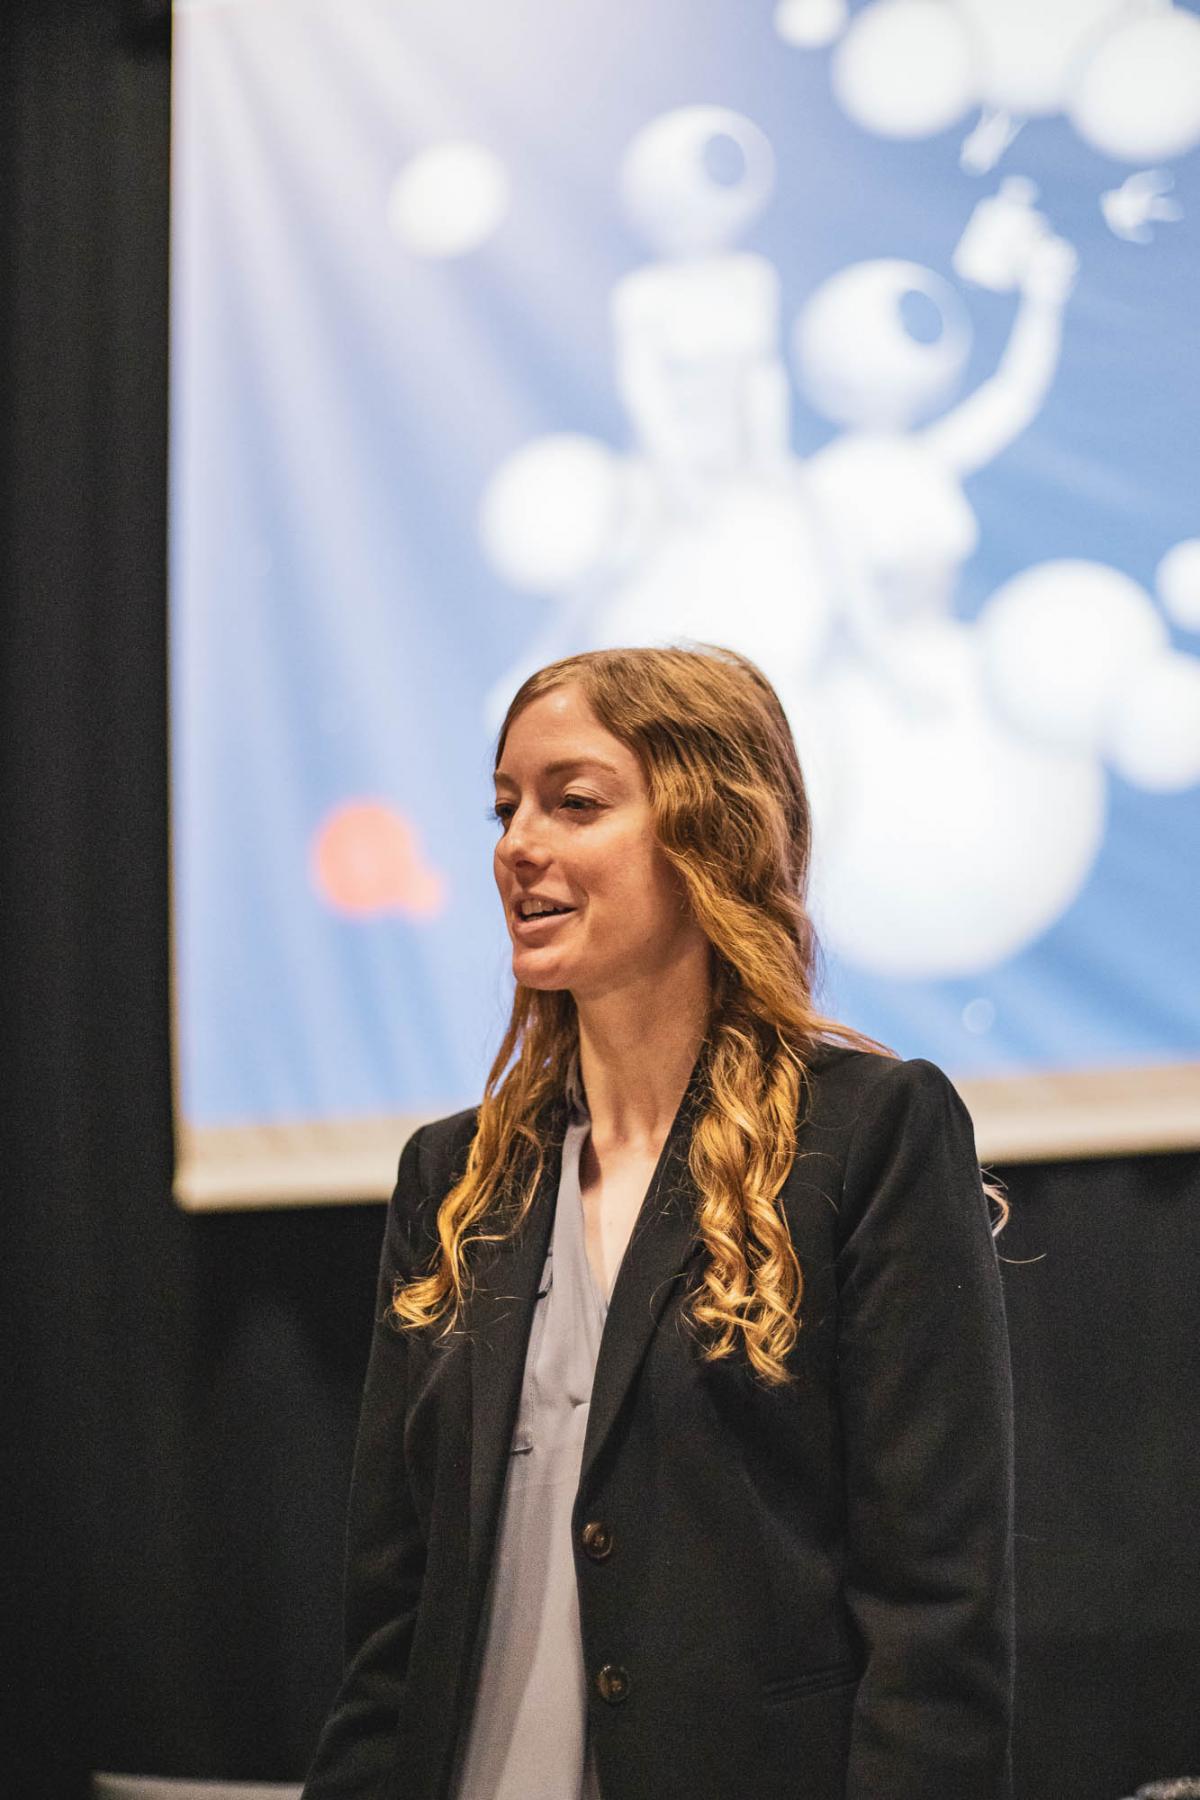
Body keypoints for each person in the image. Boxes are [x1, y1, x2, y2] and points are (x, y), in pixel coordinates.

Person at [301, 643, 1015, 1800]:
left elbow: (935, 1617)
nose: (518, 844)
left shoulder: (870, 1134)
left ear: (709, 835)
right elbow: (391, 1627)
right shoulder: (454, 1177)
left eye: (574, 803)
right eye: (505, 808)